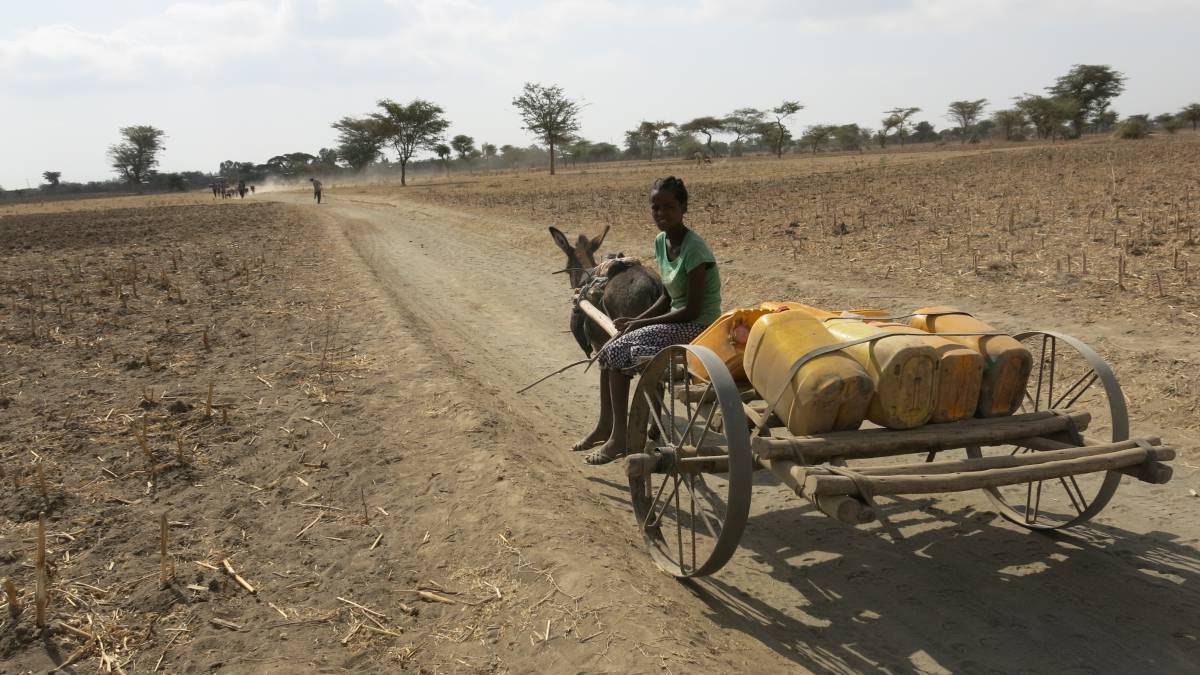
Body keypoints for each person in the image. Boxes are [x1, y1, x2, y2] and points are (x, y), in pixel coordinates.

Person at [584, 176, 722, 465]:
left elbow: (692, 310)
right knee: (617, 348)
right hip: (677, 322)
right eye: (655, 207)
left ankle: (618, 437)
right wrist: (637, 320)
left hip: (698, 328)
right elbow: (668, 297)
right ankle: (614, 430)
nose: (661, 213)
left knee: (615, 350)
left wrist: (642, 324)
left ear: (684, 208)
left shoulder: (695, 249)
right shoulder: (661, 242)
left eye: (669, 207)